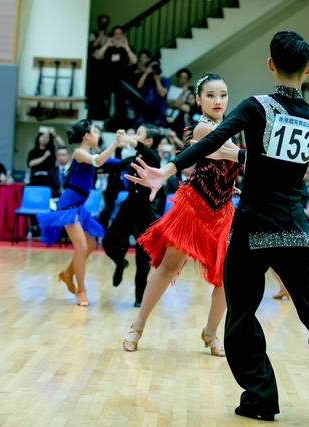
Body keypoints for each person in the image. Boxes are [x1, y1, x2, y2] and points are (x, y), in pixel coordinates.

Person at [123, 31, 309, 424]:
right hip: (296, 229)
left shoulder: (256, 106)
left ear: (270, 65)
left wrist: (167, 169)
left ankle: (260, 397)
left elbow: (214, 140)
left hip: (252, 227)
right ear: (308, 69)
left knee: (241, 315)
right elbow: (279, 166)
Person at [121, 74, 242, 357]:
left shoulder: (231, 128)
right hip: (194, 207)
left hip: (223, 211)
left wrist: (229, 184)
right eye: (210, 95)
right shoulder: (203, 127)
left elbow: (227, 163)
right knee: (168, 266)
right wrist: (260, 156)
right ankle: (137, 326)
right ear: (198, 100)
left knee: (227, 275)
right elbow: (229, 154)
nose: (218, 100)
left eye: (223, 95)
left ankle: (211, 333)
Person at [37, 120, 120, 307]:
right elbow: (99, 161)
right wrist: (116, 143)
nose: (97, 135)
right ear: (86, 136)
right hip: (68, 206)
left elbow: (107, 162)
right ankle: (81, 291)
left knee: (90, 244)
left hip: (78, 205)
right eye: (95, 132)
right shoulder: (79, 153)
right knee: (81, 247)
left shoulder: (88, 154)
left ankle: (68, 274)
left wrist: (129, 162)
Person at [102, 124, 161, 308]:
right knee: (108, 241)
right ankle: (120, 263)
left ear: (149, 141)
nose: (135, 136)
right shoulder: (132, 158)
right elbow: (111, 166)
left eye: (138, 134)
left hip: (145, 210)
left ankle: (139, 297)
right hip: (128, 207)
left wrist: (127, 139)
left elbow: (148, 153)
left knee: (143, 257)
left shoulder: (154, 159)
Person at [92, 26, 137, 128]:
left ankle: (119, 125)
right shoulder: (108, 47)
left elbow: (134, 61)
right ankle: (103, 121)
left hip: (122, 79)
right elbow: (98, 56)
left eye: (120, 34)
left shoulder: (127, 48)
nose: (118, 36)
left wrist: (126, 47)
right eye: (115, 34)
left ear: (123, 35)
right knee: (101, 100)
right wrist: (107, 44)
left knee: (120, 103)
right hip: (107, 78)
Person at [136, 59, 170, 127]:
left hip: (158, 112)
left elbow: (162, 93)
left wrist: (157, 80)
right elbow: (139, 86)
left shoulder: (165, 80)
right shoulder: (147, 79)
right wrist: (146, 73)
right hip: (144, 111)